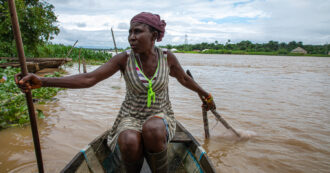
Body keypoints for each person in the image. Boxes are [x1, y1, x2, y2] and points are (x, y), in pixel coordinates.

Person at [15, 12, 215, 173]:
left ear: (154, 36)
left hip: (161, 115)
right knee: (128, 140)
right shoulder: (125, 59)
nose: (131, 37)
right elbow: (88, 79)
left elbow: (184, 79)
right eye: (130, 32)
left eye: (137, 32)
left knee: (153, 129)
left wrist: (205, 95)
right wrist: (43, 81)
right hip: (130, 116)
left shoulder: (167, 57)